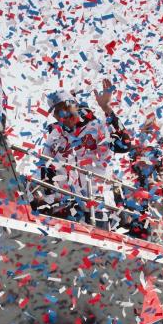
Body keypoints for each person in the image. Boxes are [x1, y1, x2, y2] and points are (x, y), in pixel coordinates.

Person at [34, 88, 114, 227]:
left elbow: (124, 146)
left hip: (98, 205)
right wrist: (45, 198)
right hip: (70, 205)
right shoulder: (56, 137)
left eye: (65, 108)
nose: (62, 114)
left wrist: (107, 108)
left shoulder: (97, 127)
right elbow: (45, 168)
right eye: (57, 112)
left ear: (76, 105)